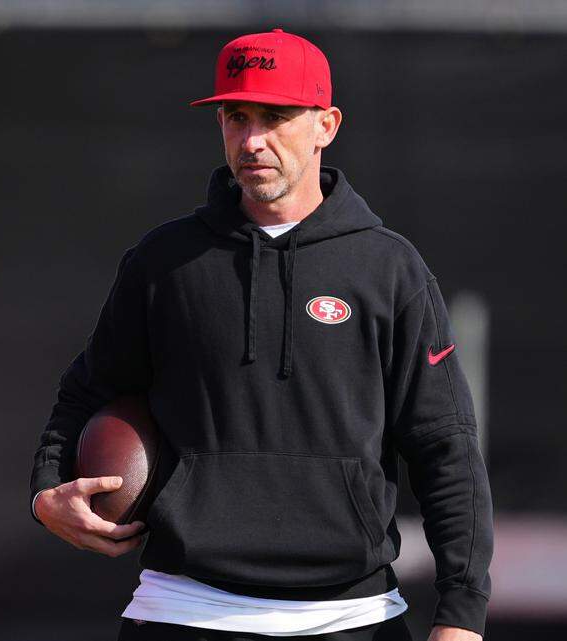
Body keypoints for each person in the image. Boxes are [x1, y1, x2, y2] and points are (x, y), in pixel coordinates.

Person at [29, 29, 492, 641]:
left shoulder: (389, 269)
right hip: (182, 609)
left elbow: (445, 448)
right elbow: (86, 394)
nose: (251, 140)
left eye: (275, 117)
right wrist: (46, 492)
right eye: (235, 116)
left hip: (354, 618)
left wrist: (462, 615)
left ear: (326, 125)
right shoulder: (164, 262)